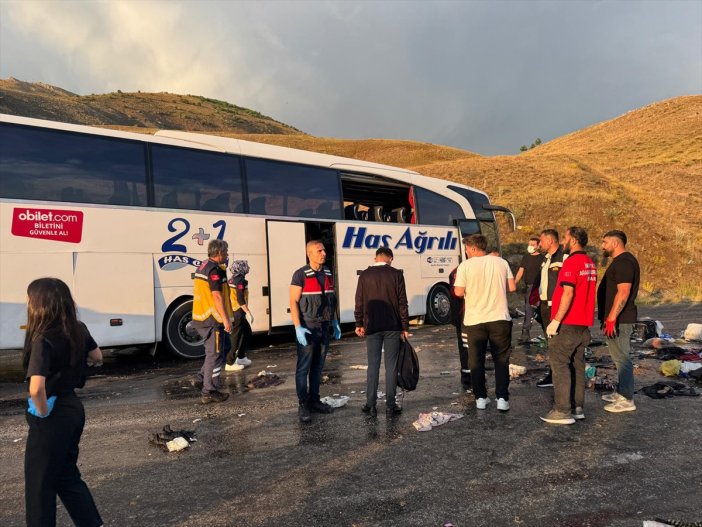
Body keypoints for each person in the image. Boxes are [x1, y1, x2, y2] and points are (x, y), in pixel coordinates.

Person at [23, 277, 103, 527]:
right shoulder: (78, 327)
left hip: (52, 413)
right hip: (73, 408)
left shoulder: (42, 338)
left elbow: (37, 387)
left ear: (39, 304)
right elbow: (97, 356)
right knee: (66, 475)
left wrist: (42, 412)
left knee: (39, 483)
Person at [540, 227, 597, 425]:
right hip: (583, 324)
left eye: (565, 238)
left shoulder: (572, 262)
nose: (563, 242)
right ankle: (577, 407)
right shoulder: (589, 263)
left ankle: (562, 410)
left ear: (573, 240)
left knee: (559, 364)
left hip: (568, 323)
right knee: (577, 366)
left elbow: (568, 292)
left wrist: (556, 320)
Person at [454, 234, 516, 411]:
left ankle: (480, 397)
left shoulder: (465, 266)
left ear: (474, 248)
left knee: (476, 360)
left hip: (475, 320)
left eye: (467, 248)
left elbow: (458, 292)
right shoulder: (501, 262)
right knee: (501, 359)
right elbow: (512, 287)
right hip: (500, 318)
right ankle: (502, 399)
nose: (466, 252)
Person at [354, 247, 410, 418]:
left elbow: (359, 301)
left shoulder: (364, 275)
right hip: (392, 326)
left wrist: (359, 323)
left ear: (375, 258)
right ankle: (390, 406)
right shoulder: (396, 274)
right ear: (390, 258)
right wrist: (405, 327)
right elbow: (402, 302)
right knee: (391, 366)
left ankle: (370, 405)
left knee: (373, 365)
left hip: (372, 326)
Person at [290, 240, 342, 423]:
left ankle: (314, 400)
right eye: (319, 251)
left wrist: (334, 321)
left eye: (324, 250)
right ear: (309, 254)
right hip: (308, 327)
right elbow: (293, 301)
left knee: (318, 367)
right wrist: (298, 327)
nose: (323, 253)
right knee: (303, 368)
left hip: (324, 327)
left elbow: (330, 300)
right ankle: (303, 405)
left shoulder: (327, 272)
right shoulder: (300, 275)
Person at [597, 230, 640, 413]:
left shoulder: (624, 262)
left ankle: (627, 399)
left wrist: (612, 318)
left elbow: (623, 292)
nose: (602, 246)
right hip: (615, 318)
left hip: (620, 319)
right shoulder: (620, 261)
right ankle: (621, 392)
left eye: (605, 242)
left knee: (623, 358)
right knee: (618, 357)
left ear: (615, 243)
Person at [191, 239, 233, 404]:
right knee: (215, 355)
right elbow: (217, 296)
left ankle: (201, 378)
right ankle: (209, 391)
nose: (227, 254)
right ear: (220, 252)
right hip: (212, 319)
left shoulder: (204, 265)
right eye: (226, 251)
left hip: (204, 317)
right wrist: (225, 319)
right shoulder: (214, 269)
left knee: (225, 347)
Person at [535, 229, 568, 388]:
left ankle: (559, 376)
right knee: (550, 342)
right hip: (544, 305)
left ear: (551, 241)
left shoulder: (563, 257)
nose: (539, 244)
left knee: (558, 342)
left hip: (555, 306)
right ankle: (553, 373)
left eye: (541, 241)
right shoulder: (546, 258)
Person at [225, 260, 254, 372]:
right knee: (236, 337)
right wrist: (249, 313)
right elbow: (240, 299)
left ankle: (241, 357)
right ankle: (229, 362)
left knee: (247, 332)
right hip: (238, 312)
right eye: (246, 266)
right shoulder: (240, 280)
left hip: (236, 312)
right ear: (241, 268)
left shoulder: (233, 279)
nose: (248, 268)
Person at [514, 237, 544, 343]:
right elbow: (520, 271)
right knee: (528, 310)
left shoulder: (542, 258)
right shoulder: (526, 257)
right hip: (529, 288)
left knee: (541, 311)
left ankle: (548, 331)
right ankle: (525, 334)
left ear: (538, 246)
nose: (530, 246)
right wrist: (514, 283)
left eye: (533, 244)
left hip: (540, 287)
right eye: (529, 244)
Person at [449, 266, 471, 392]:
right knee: (466, 347)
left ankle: (468, 374)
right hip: (464, 315)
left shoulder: (457, 270)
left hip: (463, 315)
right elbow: (456, 292)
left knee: (465, 346)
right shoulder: (459, 271)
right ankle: (468, 376)